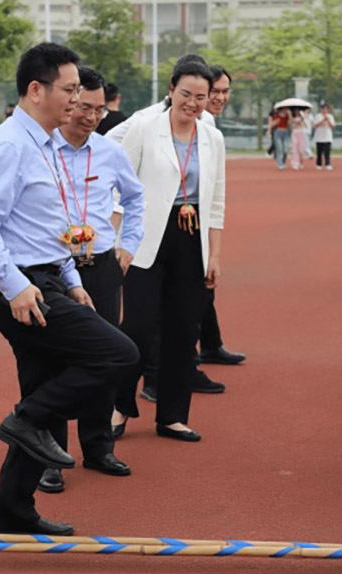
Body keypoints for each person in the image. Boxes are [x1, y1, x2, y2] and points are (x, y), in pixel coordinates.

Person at [0, 42, 139, 535]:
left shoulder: (42, 143)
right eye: (69, 89)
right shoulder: (9, 145)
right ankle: (27, 418)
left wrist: (73, 280)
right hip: (18, 289)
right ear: (36, 90)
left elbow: (45, 226)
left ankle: (12, 512)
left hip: (50, 280)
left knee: (42, 389)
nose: (77, 99)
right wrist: (16, 287)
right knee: (118, 355)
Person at [36, 66, 145, 495]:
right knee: (53, 359)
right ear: (69, 101)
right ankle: (51, 457)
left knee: (104, 355)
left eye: (100, 109)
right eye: (84, 106)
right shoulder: (42, 150)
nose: (92, 116)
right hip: (52, 265)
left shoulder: (109, 151)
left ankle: (98, 447)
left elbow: (136, 200)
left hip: (100, 266)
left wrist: (128, 245)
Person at [112, 61, 226, 442]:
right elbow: (119, 186)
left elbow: (217, 201)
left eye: (201, 97)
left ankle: (172, 416)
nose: (193, 103)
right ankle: (118, 407)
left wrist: (214, 255)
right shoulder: (146, 128)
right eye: (186, 95)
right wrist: (119, 242)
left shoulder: (212, 138)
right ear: (171, 88)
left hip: (190, 238)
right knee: (138, 328)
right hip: (146, 238)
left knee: (183, 330)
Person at [198, 64, 246, 367]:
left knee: (204, 285)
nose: (220, 97)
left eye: (225, 91)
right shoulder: (196, 120)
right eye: (214, 91)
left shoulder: (209, 123)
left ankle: (211, 344)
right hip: (174, 218)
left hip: (198, 217)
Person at [313, 103, 335, 171]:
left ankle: (327, 164)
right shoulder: (318, 116)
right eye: (323, 109)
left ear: (328, 110)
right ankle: (319, 164)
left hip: (328, 137)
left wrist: (328, 120)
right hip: (319, 137)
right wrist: (322, 120)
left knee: (327, 152)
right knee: (319, 152)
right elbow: (315, 126)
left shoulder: (330, 116)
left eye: (326, 109)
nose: (325, 110)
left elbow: (333, 126)